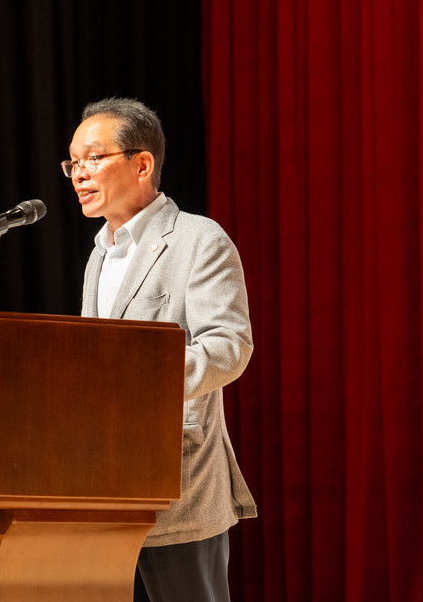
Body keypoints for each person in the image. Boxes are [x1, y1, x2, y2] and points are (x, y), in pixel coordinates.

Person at [63, 97, 256, 601]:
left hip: (179, 482)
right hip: (106, 486)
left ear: (142, 163)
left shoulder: (198, 239)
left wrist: (135, 379)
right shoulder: (99, 255)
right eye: (73, 163)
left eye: (92, 159)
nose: (79, 174)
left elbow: (229, 346)